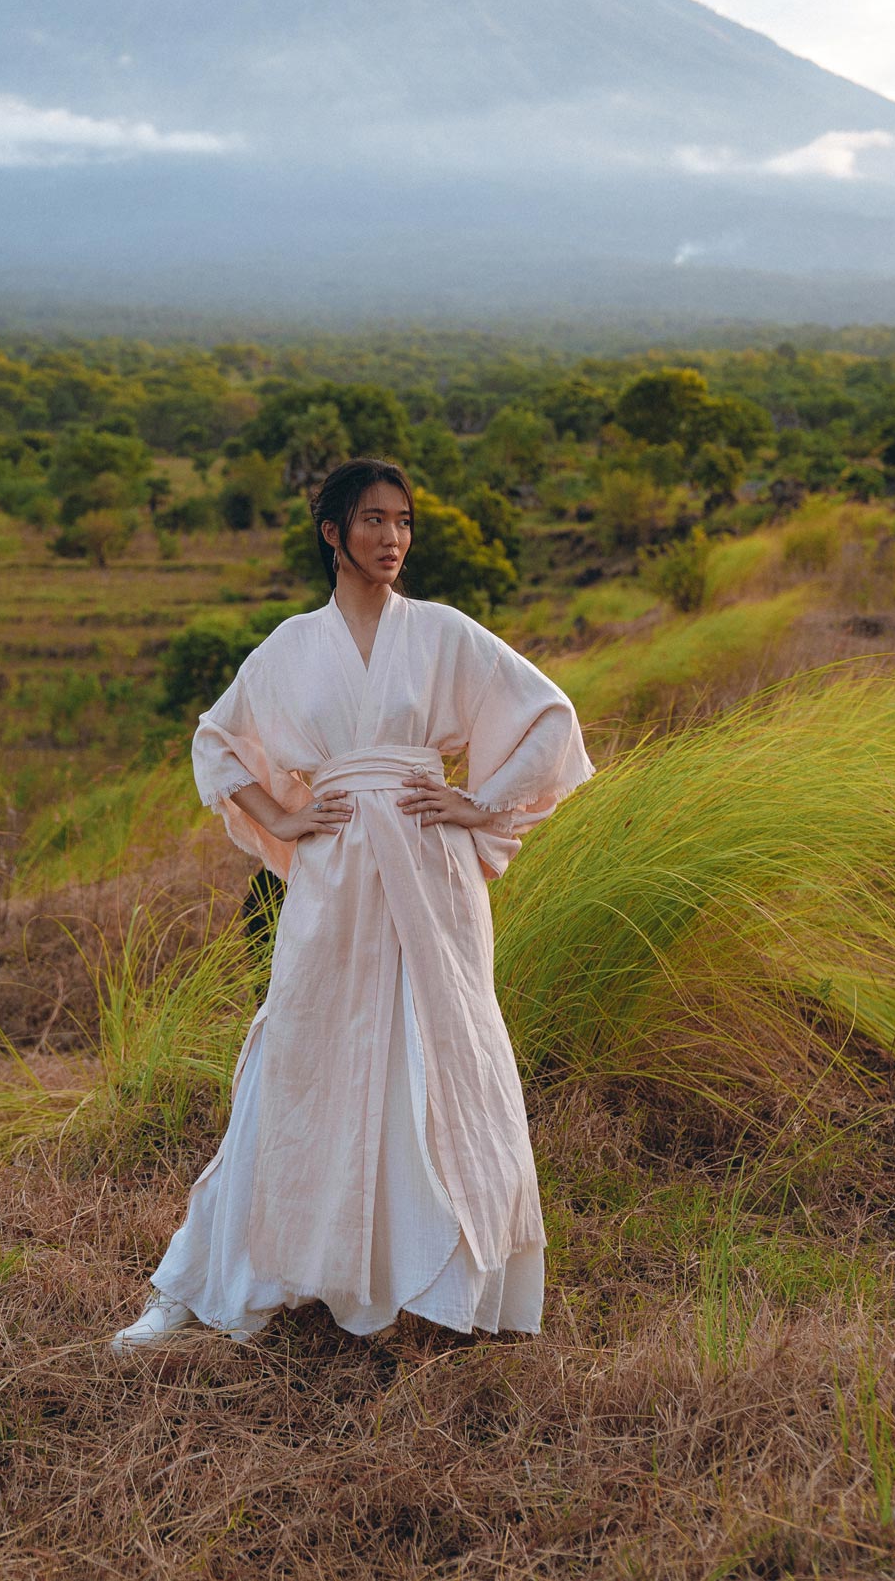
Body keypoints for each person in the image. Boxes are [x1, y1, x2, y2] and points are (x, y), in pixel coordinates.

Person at [110, 457, 594, 1354]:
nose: (393, 538)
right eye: (373, 521)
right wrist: (286, 816)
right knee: (301, 1045)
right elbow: (218, 743)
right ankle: (214, 1278)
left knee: (442, 1047)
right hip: (333, 874)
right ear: (333, 532)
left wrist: (478, 803)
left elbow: (548, 716)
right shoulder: (292, 645)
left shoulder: (443, 631)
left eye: (404, 522)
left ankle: (451, 1280)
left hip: (429, 868)